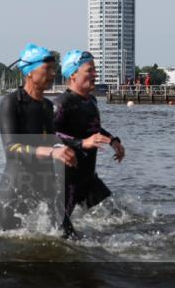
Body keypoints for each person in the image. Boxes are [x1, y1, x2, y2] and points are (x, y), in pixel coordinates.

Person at [0, 43, 76, 232]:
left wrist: (76, 146)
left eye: (54, 69)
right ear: (29, 72)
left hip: (45, 188)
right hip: (14, 192)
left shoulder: (46, 107)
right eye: (47, 69)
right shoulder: (12, 103)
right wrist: (50, 152)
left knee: (71, 239)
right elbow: (11, 148)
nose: (52, 74)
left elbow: (53, 140)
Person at [53, 50, 125, 238]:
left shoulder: (91, 100)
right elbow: (48, 135)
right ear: (73, 74)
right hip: (66, 182)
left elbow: (93, 130)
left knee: (120, 218)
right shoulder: (62, 103)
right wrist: (81, 143)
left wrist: (112, 141)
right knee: (64, 237)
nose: (95, 75)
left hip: (88, 179)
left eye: (95, 70)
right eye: (89, 70)